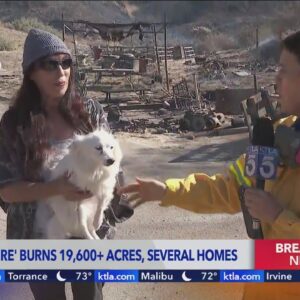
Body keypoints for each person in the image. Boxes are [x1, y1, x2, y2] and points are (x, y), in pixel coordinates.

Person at [119, 31, 300, 300]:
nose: (276, 80)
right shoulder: (273, 136)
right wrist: (167, 191)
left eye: (284, 71)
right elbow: (226, 189)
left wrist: (278, 218)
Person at [0, 28, 133, 300]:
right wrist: (58, 189)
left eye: (66, 63)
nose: (61, 72)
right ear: (31, 73)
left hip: (89, 234)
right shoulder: (14, 123)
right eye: (50, 65)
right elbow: (7, 190)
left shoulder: (90, 112)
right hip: (37, 237)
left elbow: (113, 164)